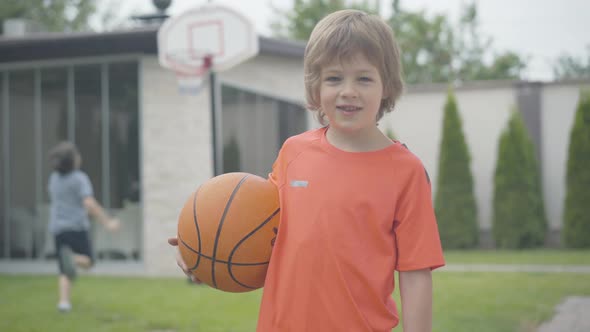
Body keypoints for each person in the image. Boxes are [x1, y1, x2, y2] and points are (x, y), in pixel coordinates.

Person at [169, 9, 444, 331]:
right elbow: (261, 234)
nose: (348, 90)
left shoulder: (405, 172)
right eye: (334, 78)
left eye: (364, 78)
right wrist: (206, 252)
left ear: (386, 86)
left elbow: (415, 275)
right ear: (316, 87)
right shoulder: (294, 153)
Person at [47, 141, 120, 312]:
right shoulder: (79, 178)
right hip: (76, 228)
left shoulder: (54, 179)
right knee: (89, 261)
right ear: (73, 160)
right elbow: (89, 203)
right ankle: (73, 258)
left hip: (58, 228)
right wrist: (107, 221)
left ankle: (64, 303)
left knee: (64, 270)